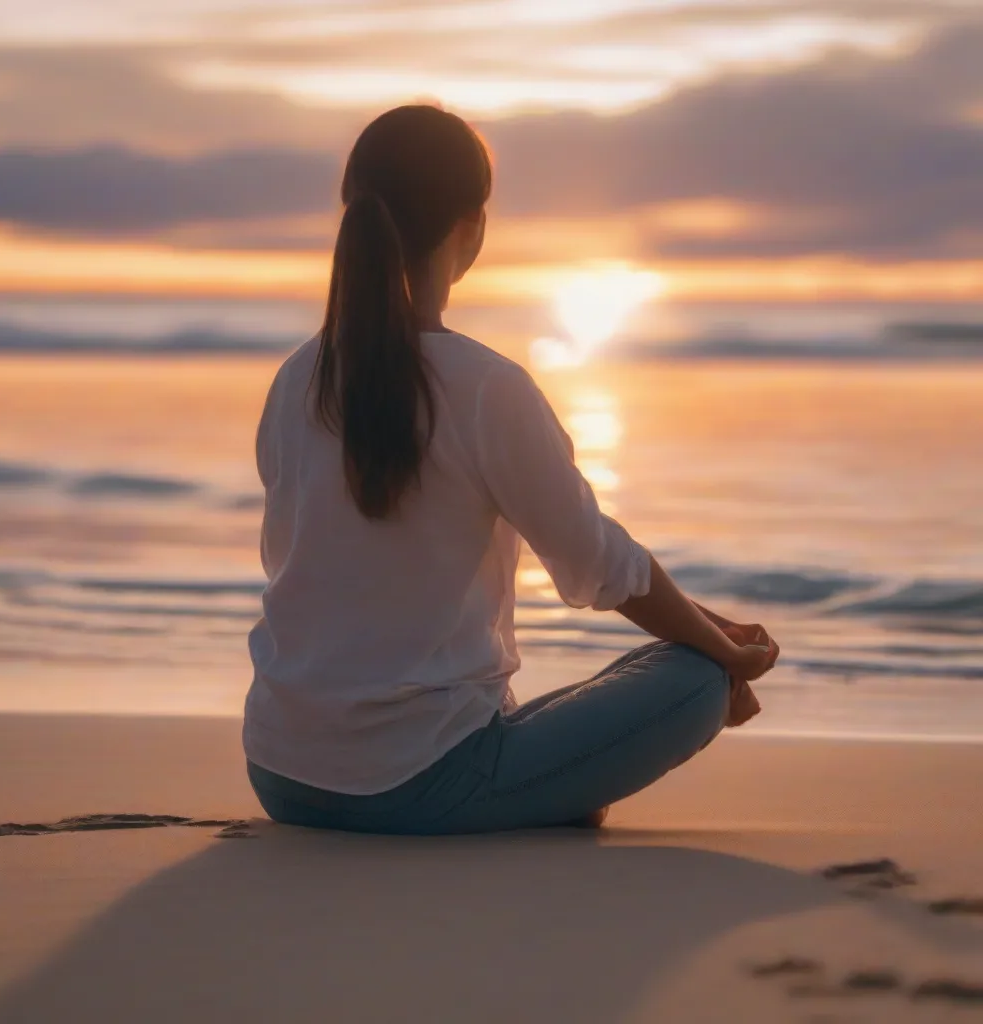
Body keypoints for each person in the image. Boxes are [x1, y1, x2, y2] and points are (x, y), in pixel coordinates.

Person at [243, 104, 778, 835]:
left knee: (646, 671)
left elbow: (305, 569)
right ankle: (527, 797)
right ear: (475, 227)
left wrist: (707, 625)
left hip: (281, 771)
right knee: (691, 681)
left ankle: (535, 788)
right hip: (415, 786)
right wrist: (722, 655)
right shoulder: (483, 386)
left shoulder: (296, 377)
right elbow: (598, 562)